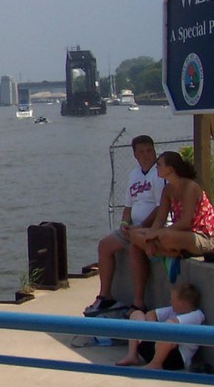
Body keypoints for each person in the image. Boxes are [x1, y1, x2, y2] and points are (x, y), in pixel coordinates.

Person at [85, 135, 163, 315]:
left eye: (149, 150)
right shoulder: (134, 175)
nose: (146, 155)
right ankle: (105, 295)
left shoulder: (159, 175)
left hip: (150, 227)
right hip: (133, 227)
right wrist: (124, 223)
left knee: (135, 248)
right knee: (104, 245)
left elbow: (161, 208)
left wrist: (141, 227)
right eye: (141, 152)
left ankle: (138, 301)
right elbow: (128, 206)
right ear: (135, 155)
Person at [132, 150, 214, 264]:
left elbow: (185, 222)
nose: (156, 168)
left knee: (165, 236)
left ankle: (167, 251)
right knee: (134, 234)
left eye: (159, 165)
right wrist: (151, 237)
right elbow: (160, 219)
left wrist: (156, 234)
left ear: (170, 168)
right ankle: (170, 252)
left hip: (202, 236)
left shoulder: (190, 187)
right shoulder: (167, 190)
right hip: (179, 234)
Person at [116, 282, 204, 370]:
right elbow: (151, 314)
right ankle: (132, 355)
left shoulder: (196, 315)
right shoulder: (174, 310)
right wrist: (152, 331)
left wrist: (156, 335)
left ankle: (156, 364)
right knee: (137, 314)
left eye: (173, 300)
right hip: (154, 348)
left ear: (183, 303)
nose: (170, 302)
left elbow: (171, 324)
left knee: (169, 328)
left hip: (175, 358)